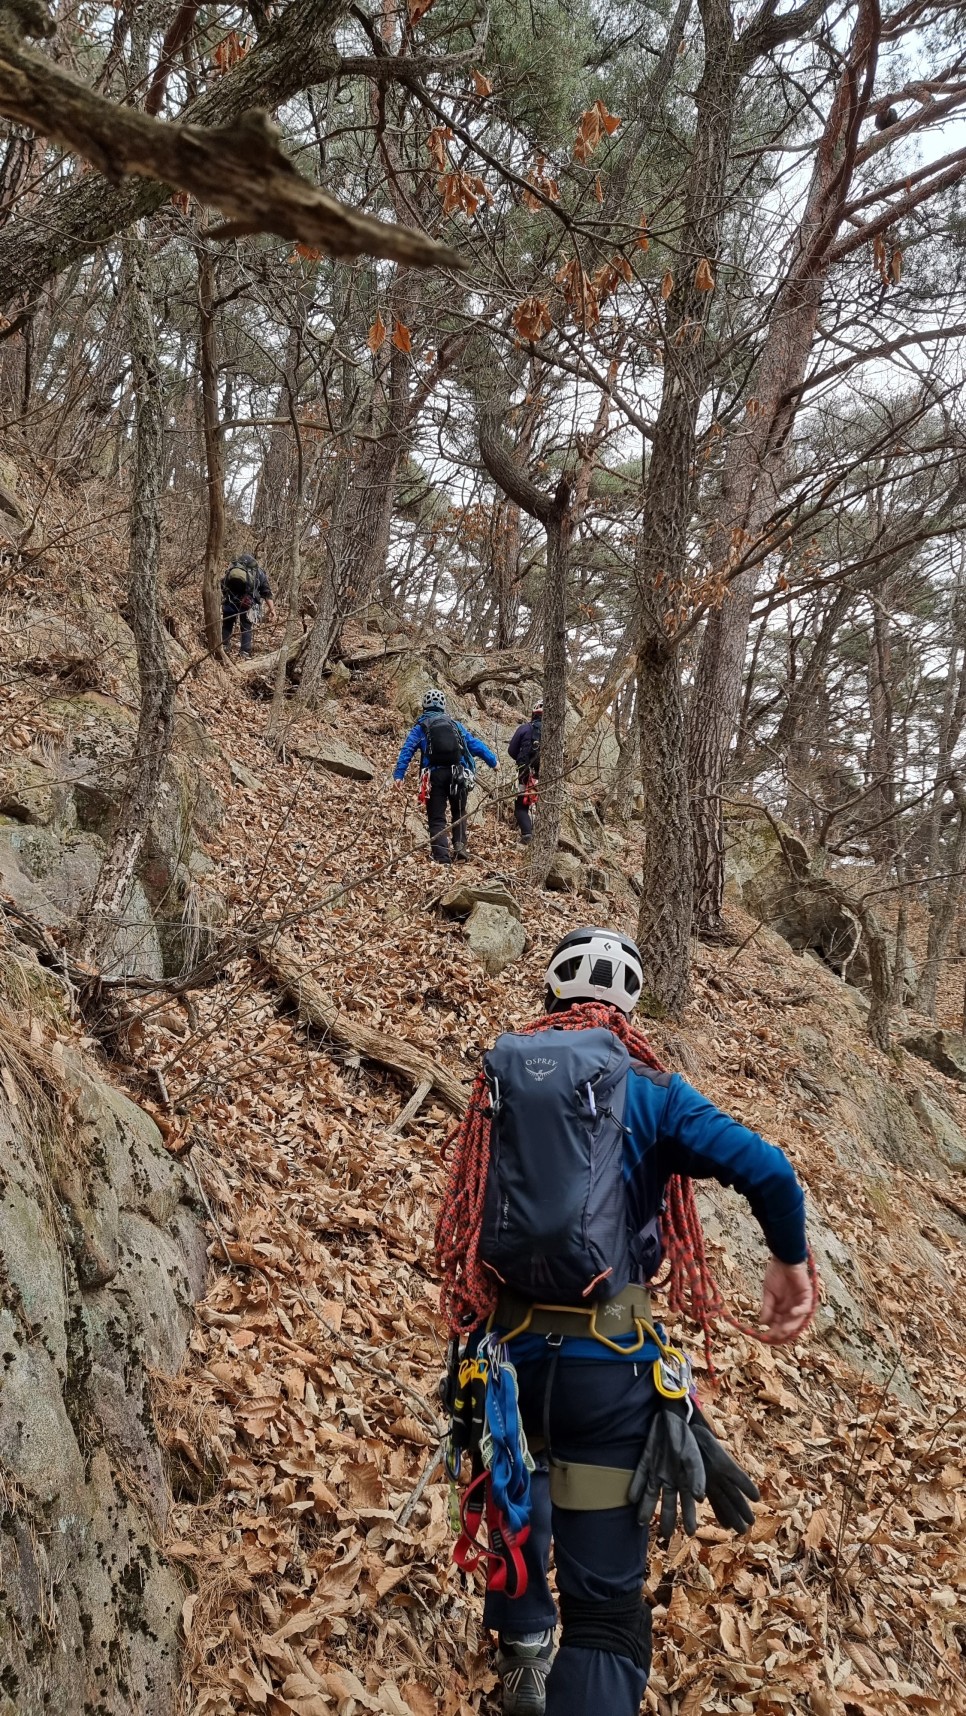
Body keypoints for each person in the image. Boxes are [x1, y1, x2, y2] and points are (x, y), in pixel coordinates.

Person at [435, 926, 815, 1716]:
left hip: (504, 1359)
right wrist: (788, 1260)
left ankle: (524, 1654)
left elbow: (469, 1217)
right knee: (607, 1614)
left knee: (515, 1489)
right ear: (630, 1010)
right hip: (609, 1366)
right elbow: (770, 1170)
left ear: (552, 996)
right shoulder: (652, 1090)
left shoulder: (500, 1080)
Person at [393, 689, 498, 864]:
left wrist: (399, 775)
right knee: (459, 811)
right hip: (458, 774)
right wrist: (493, 761)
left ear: (424, 706)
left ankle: (442, 858)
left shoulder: (420, 727)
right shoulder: (455, 725)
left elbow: (407, 750)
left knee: (437, 817)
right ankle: (459, 846)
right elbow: (474, 744)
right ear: (443, 706)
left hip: (434, 776)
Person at [221, 553, 276, 659]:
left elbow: (223, 583)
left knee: (227, 625)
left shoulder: (232, 567)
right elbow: (266, 592)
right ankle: (244, 652)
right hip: (247, 603)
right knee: (246, 628)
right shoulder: (259, 572)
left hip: (230, 600)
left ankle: (224, 646)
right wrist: (272, 609)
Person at [507, 702, 542, 844]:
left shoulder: (525, 728)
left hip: (525, 774)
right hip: (547, 775)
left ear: (533, 714)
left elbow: (511, 750)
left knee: (521, 806)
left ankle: (528, 834)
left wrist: (522, 762)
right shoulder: (555, 732)